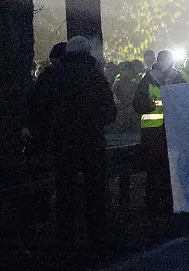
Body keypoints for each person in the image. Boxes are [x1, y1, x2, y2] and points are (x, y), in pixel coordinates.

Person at [48, 36, 117, 250]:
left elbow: (39, 108)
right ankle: (98, 241)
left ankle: (65, 243)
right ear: (88, 53)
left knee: (64, 194)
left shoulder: (55, 76)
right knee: (95, 194)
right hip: (92, 143)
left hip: (63, 145)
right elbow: (110, 112)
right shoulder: (96, 77)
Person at [133, 50, 182, 213]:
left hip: (172, 132)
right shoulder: (148, 78)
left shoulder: (178, 77)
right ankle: (153, 208)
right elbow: (137, 104)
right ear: (158, 61)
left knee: (172, 172)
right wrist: (147, 106)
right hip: (153, 134)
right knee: (154, 172)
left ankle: (171, 205)